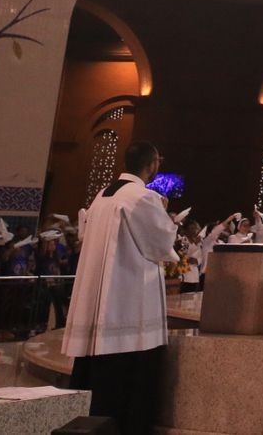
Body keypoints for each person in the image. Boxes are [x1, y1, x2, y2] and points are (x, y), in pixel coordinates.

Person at [63, 141, 180, 435]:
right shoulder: (143, 197)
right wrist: (166, 215)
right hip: (126, 301)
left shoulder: (101, 196)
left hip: (98, 299)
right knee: (126, 378)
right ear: (152, 165)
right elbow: (161, 245)